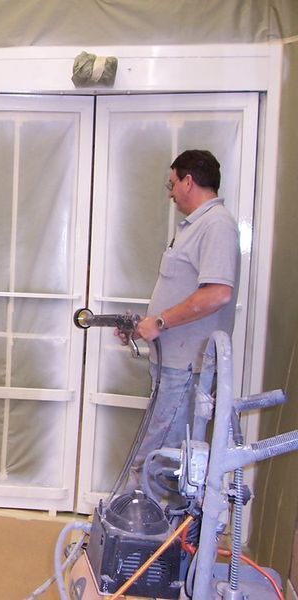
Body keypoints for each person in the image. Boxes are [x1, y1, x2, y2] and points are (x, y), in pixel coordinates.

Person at [119, 149, 241, 495]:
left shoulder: (216, 225)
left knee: (157, 462)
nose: (170, 193)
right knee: (160, 456)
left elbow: (218, 293)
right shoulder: (196, 227)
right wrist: (144, 325)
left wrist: (159, 320)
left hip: (187, 370)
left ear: (189, 181)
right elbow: (183, 291)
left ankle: (142, 542)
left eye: (172, 184)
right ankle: (146, 538)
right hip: (173, 365)